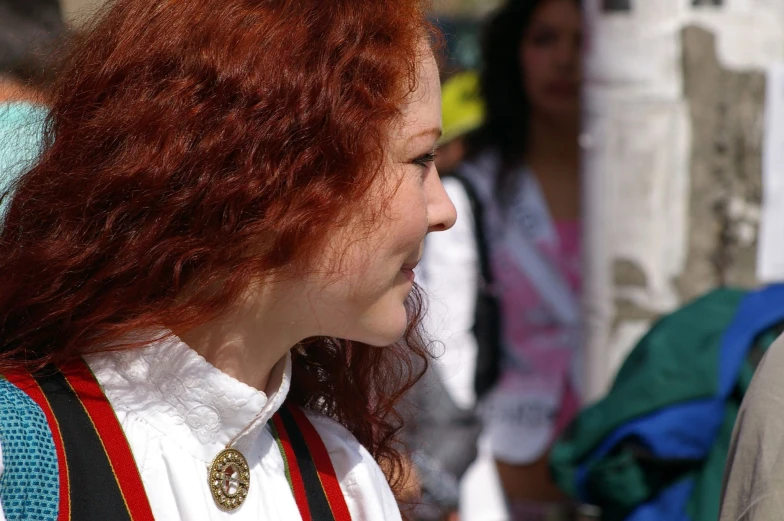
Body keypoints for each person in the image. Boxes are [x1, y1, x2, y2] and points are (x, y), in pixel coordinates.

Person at [0, 0, 457, 519]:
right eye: (419, 159)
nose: (444, 211)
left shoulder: (346, 480)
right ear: (277, 168)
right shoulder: (25, 459)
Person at [418, 0, 583, 519]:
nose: (565, 59)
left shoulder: (637, 189)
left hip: (623, 462)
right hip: (504, 473)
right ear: (513, 52)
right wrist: (452, 470)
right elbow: (445, 347)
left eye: (583, 41)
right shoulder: (475, 192)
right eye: (544, 39)